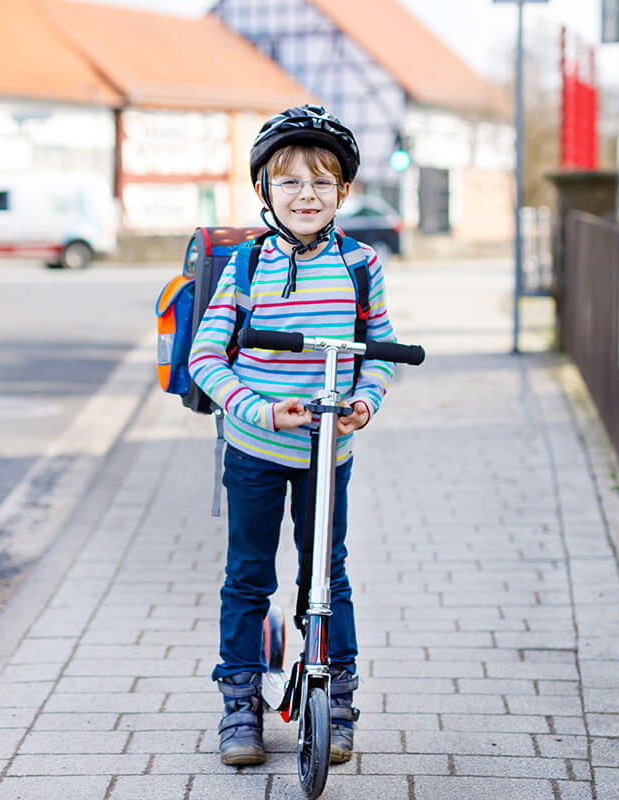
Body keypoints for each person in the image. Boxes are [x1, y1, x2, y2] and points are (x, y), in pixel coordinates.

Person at [188, 105, 397, 767]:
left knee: (325, 575)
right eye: (290, 182)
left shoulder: (361, 265)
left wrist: (366, 400)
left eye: (322, 183)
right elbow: (206, 358)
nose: (306, 194)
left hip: (327, 452)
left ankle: (336, 699)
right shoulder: (246, 266)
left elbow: (382, 352)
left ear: (343, 193)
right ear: (263, 191)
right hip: (255, 450)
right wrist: (255, 411)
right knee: (248, 575)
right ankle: (241, 703)